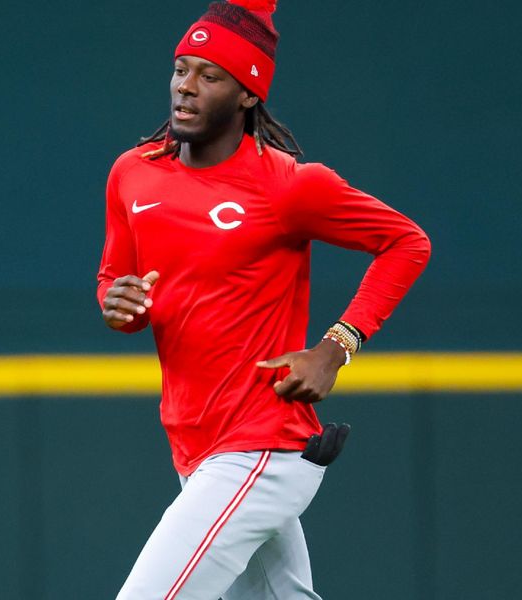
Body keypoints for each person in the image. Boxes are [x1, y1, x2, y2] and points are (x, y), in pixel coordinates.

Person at [96, 1, 431, 598]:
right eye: (181, 69)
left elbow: (406, 243)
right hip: (193, 444)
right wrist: (115, 303)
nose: (187, 88)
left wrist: (337, 347)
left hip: (259, 446)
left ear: (248, 93)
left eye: (210, 75)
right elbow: (117, 283)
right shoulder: (133, 173)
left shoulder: (289, 186)